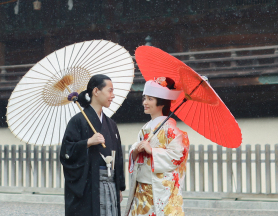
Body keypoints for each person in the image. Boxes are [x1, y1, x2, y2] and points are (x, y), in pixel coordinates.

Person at [60, 74, 126, 216]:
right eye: (110, 90)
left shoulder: (111, 125)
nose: (113, 95)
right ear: (96, 91)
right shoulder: (77, 121)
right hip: (89, 185)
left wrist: (119, 186)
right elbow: (66, 153)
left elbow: (118, 156)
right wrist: (88, 142)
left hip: (110, 184)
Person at [125, 77, 190, 216]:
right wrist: (136, 150)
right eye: (144, 98)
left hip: (158, 190)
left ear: (161, 103)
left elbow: (177, 155)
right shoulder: (145, 128)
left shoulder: (171, 130)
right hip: (140, 189)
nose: (145, 103)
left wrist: (152, 151)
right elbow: (136, 155)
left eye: (150, 99)